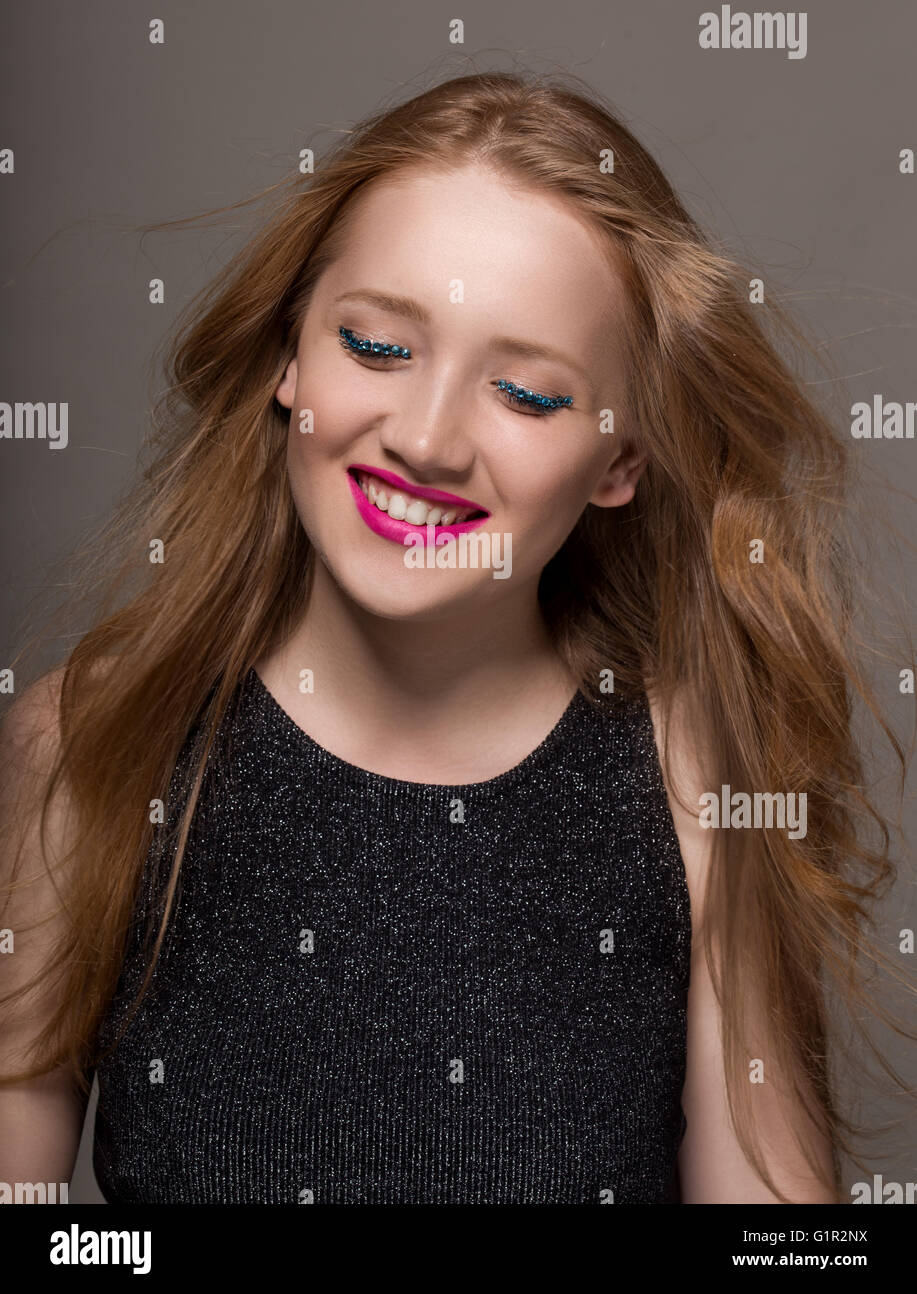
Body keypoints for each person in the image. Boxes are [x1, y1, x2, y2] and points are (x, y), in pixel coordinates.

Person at [0, 71, 910, 1204]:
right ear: (289, 359)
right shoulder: (90, 746)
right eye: (376, 347)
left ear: (622, 459)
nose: (425, 440)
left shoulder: (693, 789)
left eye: (526, 395)